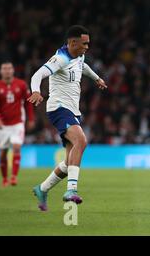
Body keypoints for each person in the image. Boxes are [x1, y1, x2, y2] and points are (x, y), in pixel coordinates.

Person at [28, 25, 107, 211]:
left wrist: (96, 78)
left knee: (68, 161)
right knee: (81, 140)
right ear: (72, 42)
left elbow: (83, 66)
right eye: (84, 43)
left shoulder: (78, 55)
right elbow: (37, 74)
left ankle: (42, 188)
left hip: (73, 111)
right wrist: (36, 91)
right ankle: (71, 190)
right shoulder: (59, 59)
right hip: (58, 108)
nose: (87, 47)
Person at [0, 61, 35, 187]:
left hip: (17, 122)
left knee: (16, 147)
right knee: (3, 153)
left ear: (13, 70)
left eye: (9, 68)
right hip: (2, 124)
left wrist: (30, 118)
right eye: (4, 68)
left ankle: (13, 177)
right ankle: (4, 178)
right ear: (1, 71)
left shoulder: (21, 84)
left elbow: (28, 103)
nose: (7, 71)